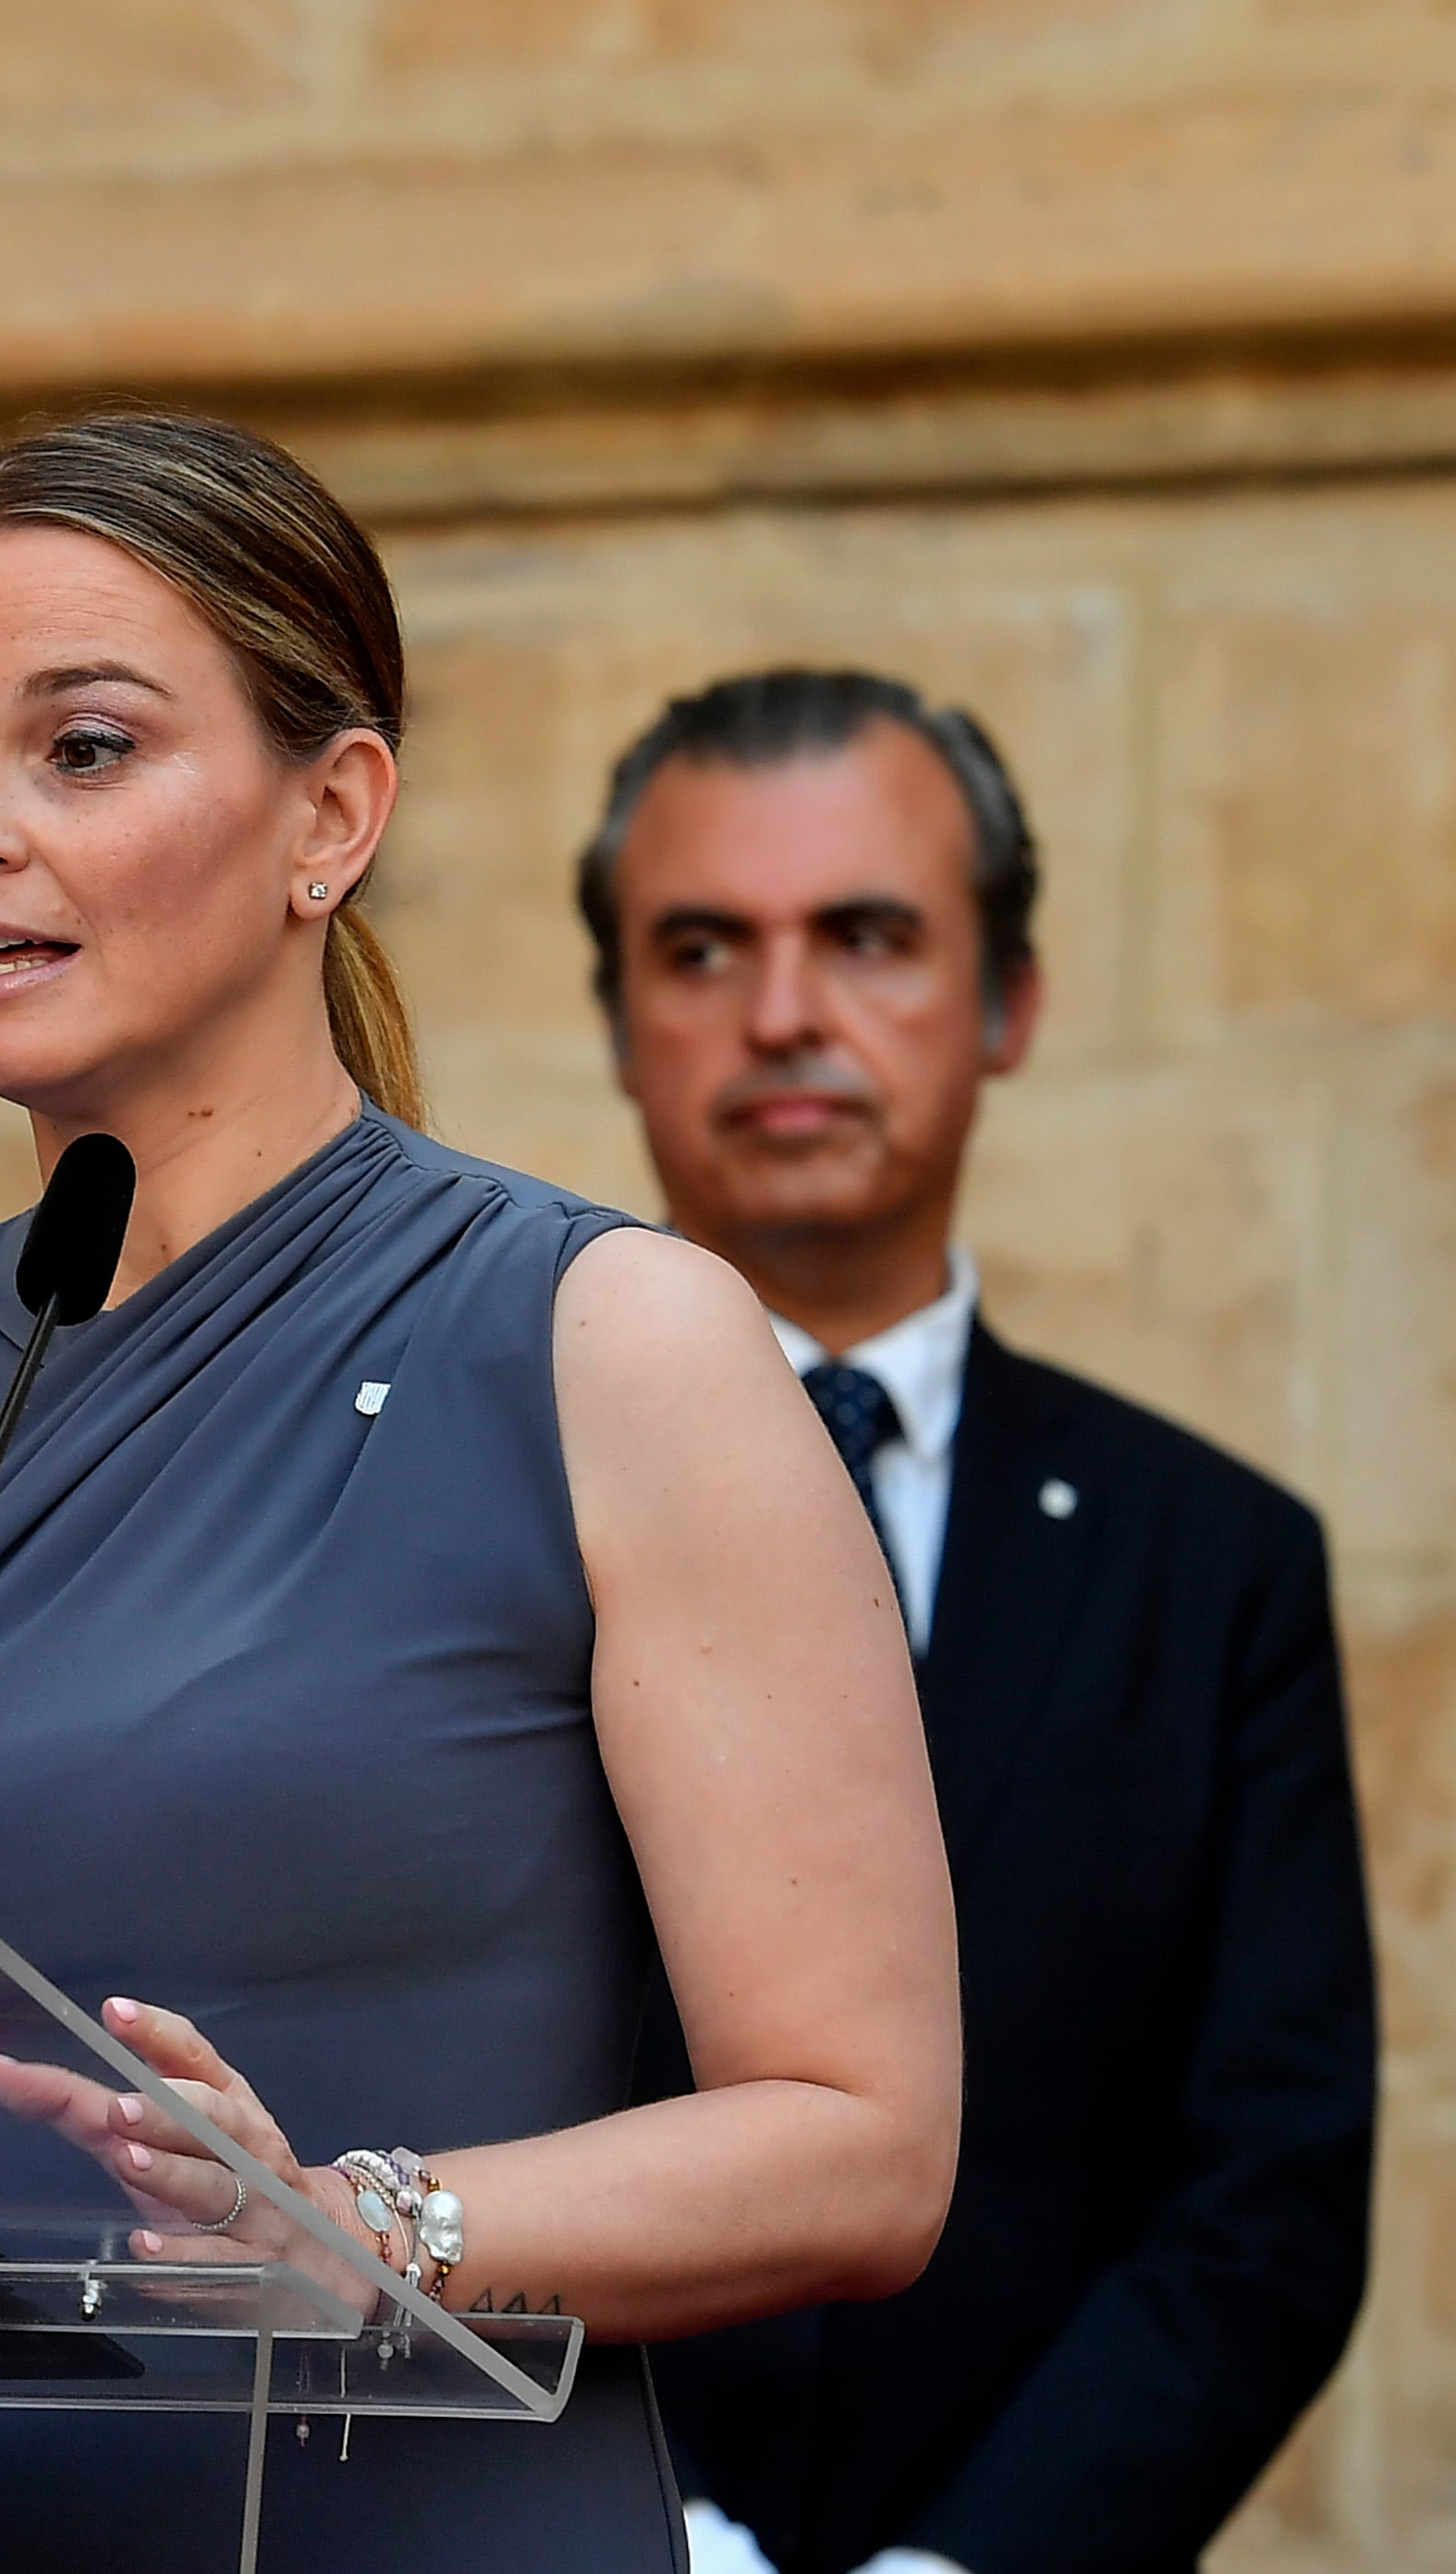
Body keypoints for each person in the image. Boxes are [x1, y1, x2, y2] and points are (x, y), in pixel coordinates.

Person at [0, 413, 961, 2568]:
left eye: (79, 749)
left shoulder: (610, 1346)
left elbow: (862, 2145)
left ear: (328, 815)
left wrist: (370, 2229)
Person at [585, 669, 1376, 2574]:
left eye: (866, 937)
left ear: (1007, 1003)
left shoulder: (1213, 1564)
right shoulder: (475, 1511)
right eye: (704, 947)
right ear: (619, 1023)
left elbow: (1264, 2194)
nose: (785, 1014)